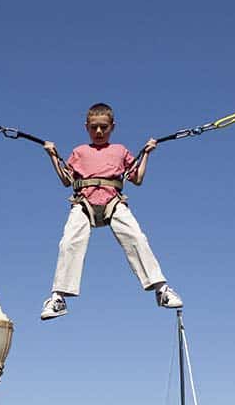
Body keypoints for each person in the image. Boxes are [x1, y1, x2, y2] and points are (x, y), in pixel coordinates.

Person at [40, 103, 182, 320]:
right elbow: (65, 180)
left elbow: (137, 179)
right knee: (69, 242)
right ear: (86, 127)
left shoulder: (120, 151)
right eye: (94, 127)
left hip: (113, 202)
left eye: (104, 127)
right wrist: (52, 155)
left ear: (112, 127)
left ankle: (161, 289)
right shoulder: (79, 152)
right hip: (83, 202)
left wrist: (146, 153)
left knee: (136, 238)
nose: (99, 132)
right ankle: (58, 298)